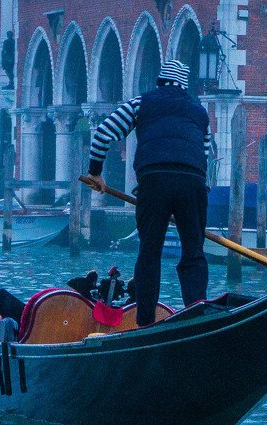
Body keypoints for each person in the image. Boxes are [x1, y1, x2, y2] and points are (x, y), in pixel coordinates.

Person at [83, 60, 212, 326]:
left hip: (154, 181)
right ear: (183, 86)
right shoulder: (199, 112)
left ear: (160, 82)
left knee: (150, 251)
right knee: (194, 254)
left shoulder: (142, 102)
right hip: (193, 181)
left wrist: (95, 172)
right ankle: (197, 316)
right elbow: (205, 154)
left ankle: (145, 322)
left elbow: (102, 134)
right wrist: (187, 205)